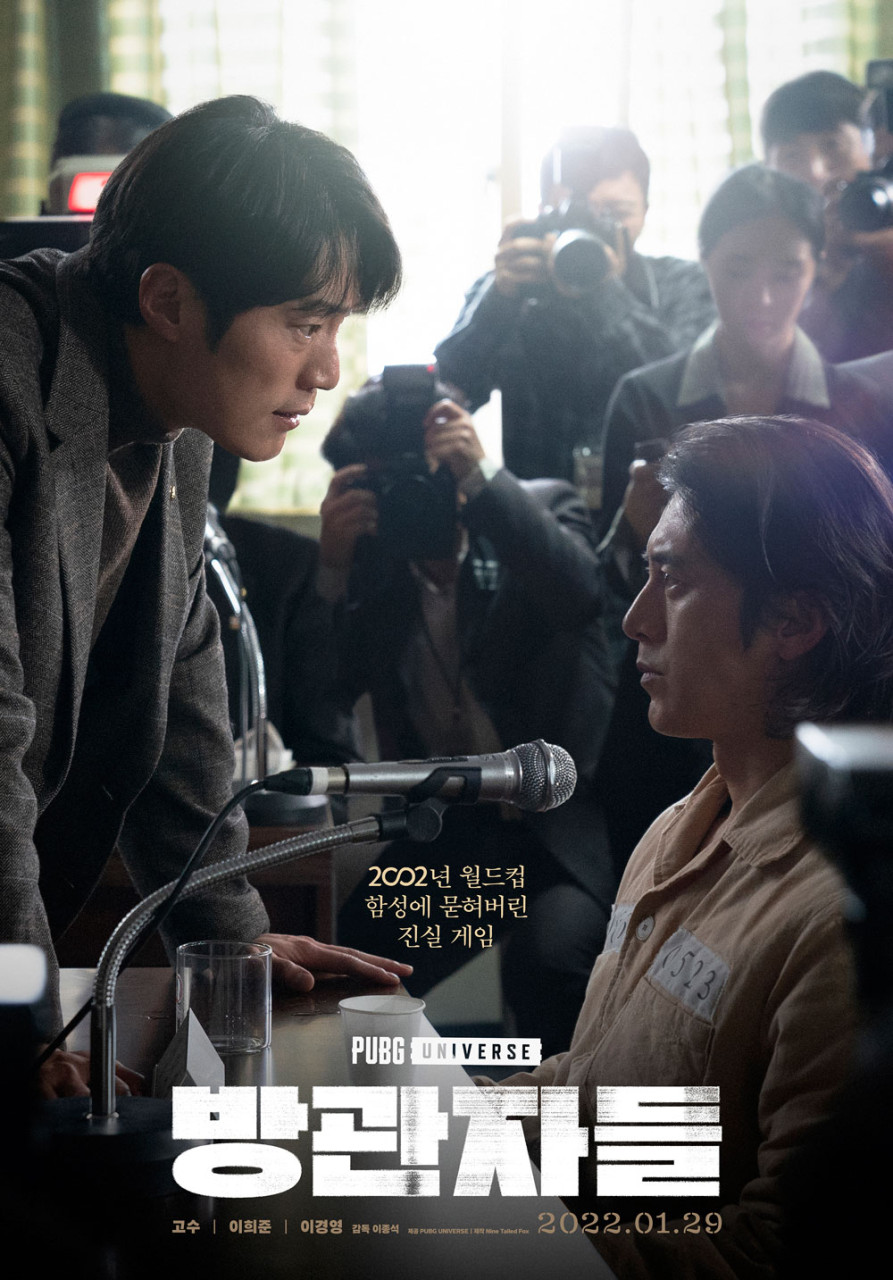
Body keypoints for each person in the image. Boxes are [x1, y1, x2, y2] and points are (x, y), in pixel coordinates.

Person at [0, 95, 411, 1099]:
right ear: (170, 300)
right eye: (305, 323)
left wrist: (234, 939)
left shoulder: (175, 414)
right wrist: (18, 1030)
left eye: (337, 327)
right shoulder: (12, 378)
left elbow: (180, 697)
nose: (327, 369)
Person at [485, 414, 893, 1277]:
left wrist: (471, 1240)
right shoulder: (679, 827)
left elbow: (773, 1256)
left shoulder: (840, 914)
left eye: (671, 580)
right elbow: (591, 1100)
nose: (635, 620)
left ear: (792, 621)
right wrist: (402, 1128)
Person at [318, 378, 618, 1055]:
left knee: (552, 960)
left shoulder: (538, 509)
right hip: (457, 843)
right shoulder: (378, 568)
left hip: (556, 838)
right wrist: (331, 570)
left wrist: (479, 478)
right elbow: (323, 696)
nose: (408, 495)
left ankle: (560, 1117)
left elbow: (579, 594)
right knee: (347, 968)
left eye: (421, 475)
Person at [597, 163, 885, 865]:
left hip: (810, 716)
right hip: (668, 712)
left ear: (817, 271)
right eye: (738, 270)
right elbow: (613, 594)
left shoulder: (860, 405)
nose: (762, 296)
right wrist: (633, 534)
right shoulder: (646, 396)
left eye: (787, 273)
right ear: (704, 263)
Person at [434, 126, 715, 492]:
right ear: (542, 213)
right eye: (571, 214)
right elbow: (446, 396)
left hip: (652, 511)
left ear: (645, 212)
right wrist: (498, 302)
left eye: (614, 213)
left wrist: (604, 292)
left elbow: (683, 402)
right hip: (538, 515)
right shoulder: (512, 288)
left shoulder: (681, 285)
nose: (592, 230)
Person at [762, 69, 893, 361]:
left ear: (874, 148)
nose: (816, 173)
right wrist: (827, 275)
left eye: (833, 146)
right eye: (792, 156)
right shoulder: (754, 258)